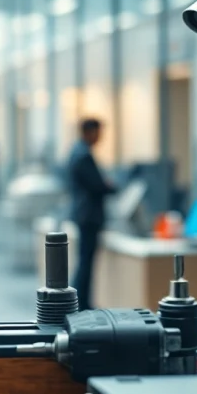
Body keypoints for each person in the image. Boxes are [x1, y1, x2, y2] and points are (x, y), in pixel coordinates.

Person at [67, 118, 115, 310]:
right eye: (98, 131)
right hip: (88, 215)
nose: (100, 136)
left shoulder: (77, 152)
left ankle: (81, 302)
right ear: (89, 132)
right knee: (86, 262)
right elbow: (97, 185)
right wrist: (110, 186)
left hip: (84, 214)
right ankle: (81, 303)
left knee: (85, 261)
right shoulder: (83, 155)